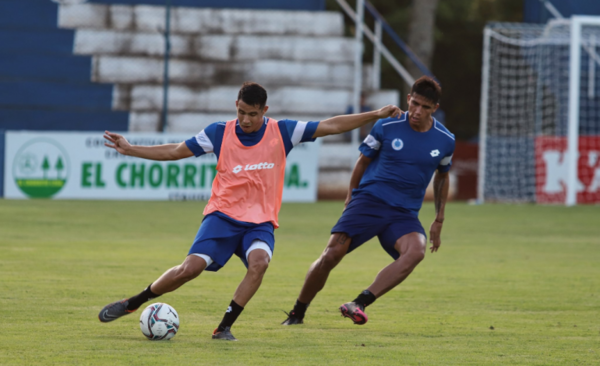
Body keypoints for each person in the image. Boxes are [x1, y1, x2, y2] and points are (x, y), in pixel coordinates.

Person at [98, 81, 402, 341]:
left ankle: (223, 328)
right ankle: (134, 302)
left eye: (252, 114)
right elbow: (177, 150)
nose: (245, 119)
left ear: (264, 111)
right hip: (221, 216)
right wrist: (132, 149)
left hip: (260, 222)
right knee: (189, 270)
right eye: (241, 112)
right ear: (236, 106)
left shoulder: (284, 132)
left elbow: (331, 125)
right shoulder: (219, 132)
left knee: (259, 263)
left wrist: (375, 115)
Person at [282, 76, 454, 326]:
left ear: (434, 109)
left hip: (404, 213)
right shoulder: (387, 126)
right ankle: (298, 312)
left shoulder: (445, 140)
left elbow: (442, 177)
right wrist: (351, 195)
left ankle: (359, 303)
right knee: (331, 256)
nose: (417, 111)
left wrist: (439, 218)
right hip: (369, 201)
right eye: (414, 103)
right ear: (408, 99)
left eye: (425, 107)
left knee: (416, 251)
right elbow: (362, 161)